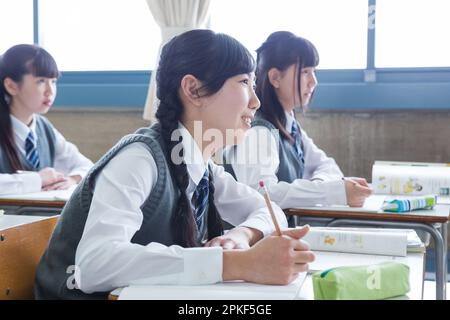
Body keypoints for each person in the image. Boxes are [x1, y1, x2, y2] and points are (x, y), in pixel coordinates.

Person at [34, 30, 315, 299]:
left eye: (254, 85)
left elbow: (271, 211)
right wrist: (235, 264)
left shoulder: (202, 168)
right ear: (193, 89)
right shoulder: (139, 160)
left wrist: (242, 236)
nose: (255, 101)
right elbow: (94, 264)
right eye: (244, 82)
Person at [221, 31, 372, 226]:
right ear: (275, 77)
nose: (313, 81)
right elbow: (261, 194)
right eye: (305, 72)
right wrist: (334, 191)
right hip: (248, 242)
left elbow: (327, 165)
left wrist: (323, 186)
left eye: (314, 71)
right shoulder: (258, 131)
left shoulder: (289, 123)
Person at [0, 44, 93, 195]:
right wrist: (37, 180)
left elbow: (86, 166)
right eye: (41, 81)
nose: (50, 91)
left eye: (53, 81)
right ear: (11, 86)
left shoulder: (44, 127)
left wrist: (71, 179)